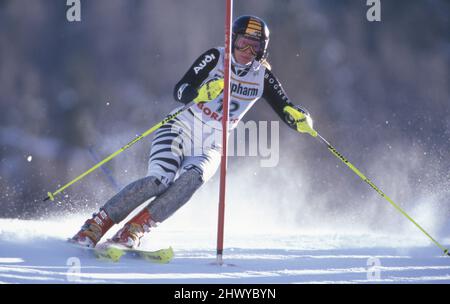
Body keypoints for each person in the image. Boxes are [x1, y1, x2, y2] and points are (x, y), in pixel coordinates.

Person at [71, 15, 317, 249]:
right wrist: (198, 93)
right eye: (243, 44)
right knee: (160, 180)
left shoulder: (262, 76)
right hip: (180, 128)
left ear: (263, 50)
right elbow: (180, 90)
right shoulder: (215, 57)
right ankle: (95, 225)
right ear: (232, 40)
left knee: (193, 179)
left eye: (255, 47)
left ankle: (134, 230)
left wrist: (300, 119)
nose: (247, 53)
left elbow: (286, 108)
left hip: (212, 143)